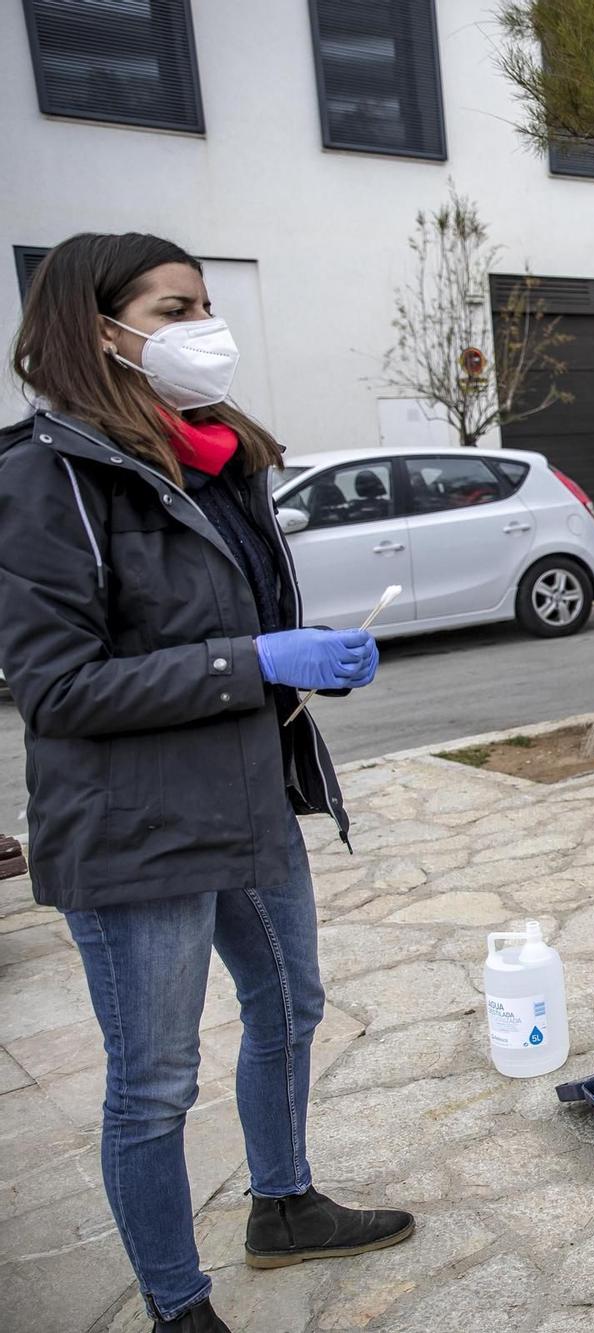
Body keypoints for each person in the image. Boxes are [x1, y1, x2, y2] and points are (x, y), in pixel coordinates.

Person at [0, 234, 415, 1333]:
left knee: (289, 1003)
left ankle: (281, 1205)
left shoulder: (218, 458)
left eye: (204, 303)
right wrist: (259, 662)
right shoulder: (46, 477)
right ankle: (177, 1308)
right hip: (135, 829)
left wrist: (299, 649)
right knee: (154, 1081)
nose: (201, 328)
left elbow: (223, 627)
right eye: (174, 307)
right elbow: (57, 687)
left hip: (246, 796)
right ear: (101, 329)